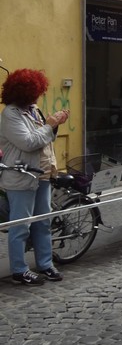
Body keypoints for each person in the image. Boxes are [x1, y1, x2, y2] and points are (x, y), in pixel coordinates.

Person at [0, 68, 69, 286]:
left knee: (42, 223)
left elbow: (45, 138)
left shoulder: (33, 109)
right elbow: (28, 142)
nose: (38, 96)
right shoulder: (10, 114)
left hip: (43, 174)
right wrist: (50, 125)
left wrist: (54, 125)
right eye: (35, 92)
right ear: (23, 92)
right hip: (21, 177)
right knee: (21, 226)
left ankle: (45, 264)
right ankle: (19, 270)